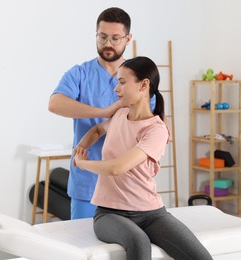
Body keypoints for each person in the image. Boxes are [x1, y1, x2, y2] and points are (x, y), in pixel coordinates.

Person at [73, 56, 212, 260]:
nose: (116, 89)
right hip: (109, 214)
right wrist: (81, 147)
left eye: (122, 82)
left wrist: (82, 164)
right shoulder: (120, 115)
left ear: (144, 84)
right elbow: (97, 129)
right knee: (138, 241)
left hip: (152, 214)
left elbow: (117, 168)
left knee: (201, 257)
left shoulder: (156, 130)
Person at [48, 7, 155, 219]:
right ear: (96, 34)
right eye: (103, 36)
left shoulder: (140, 79)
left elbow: (146, 124)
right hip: (87, 180)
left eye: (115, 38)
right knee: (84, 246)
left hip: (127, 182)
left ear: (128, 38)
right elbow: (55, 103)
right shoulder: (80, 73)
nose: (108, 43)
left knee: (121, 249)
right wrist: (104, 112)